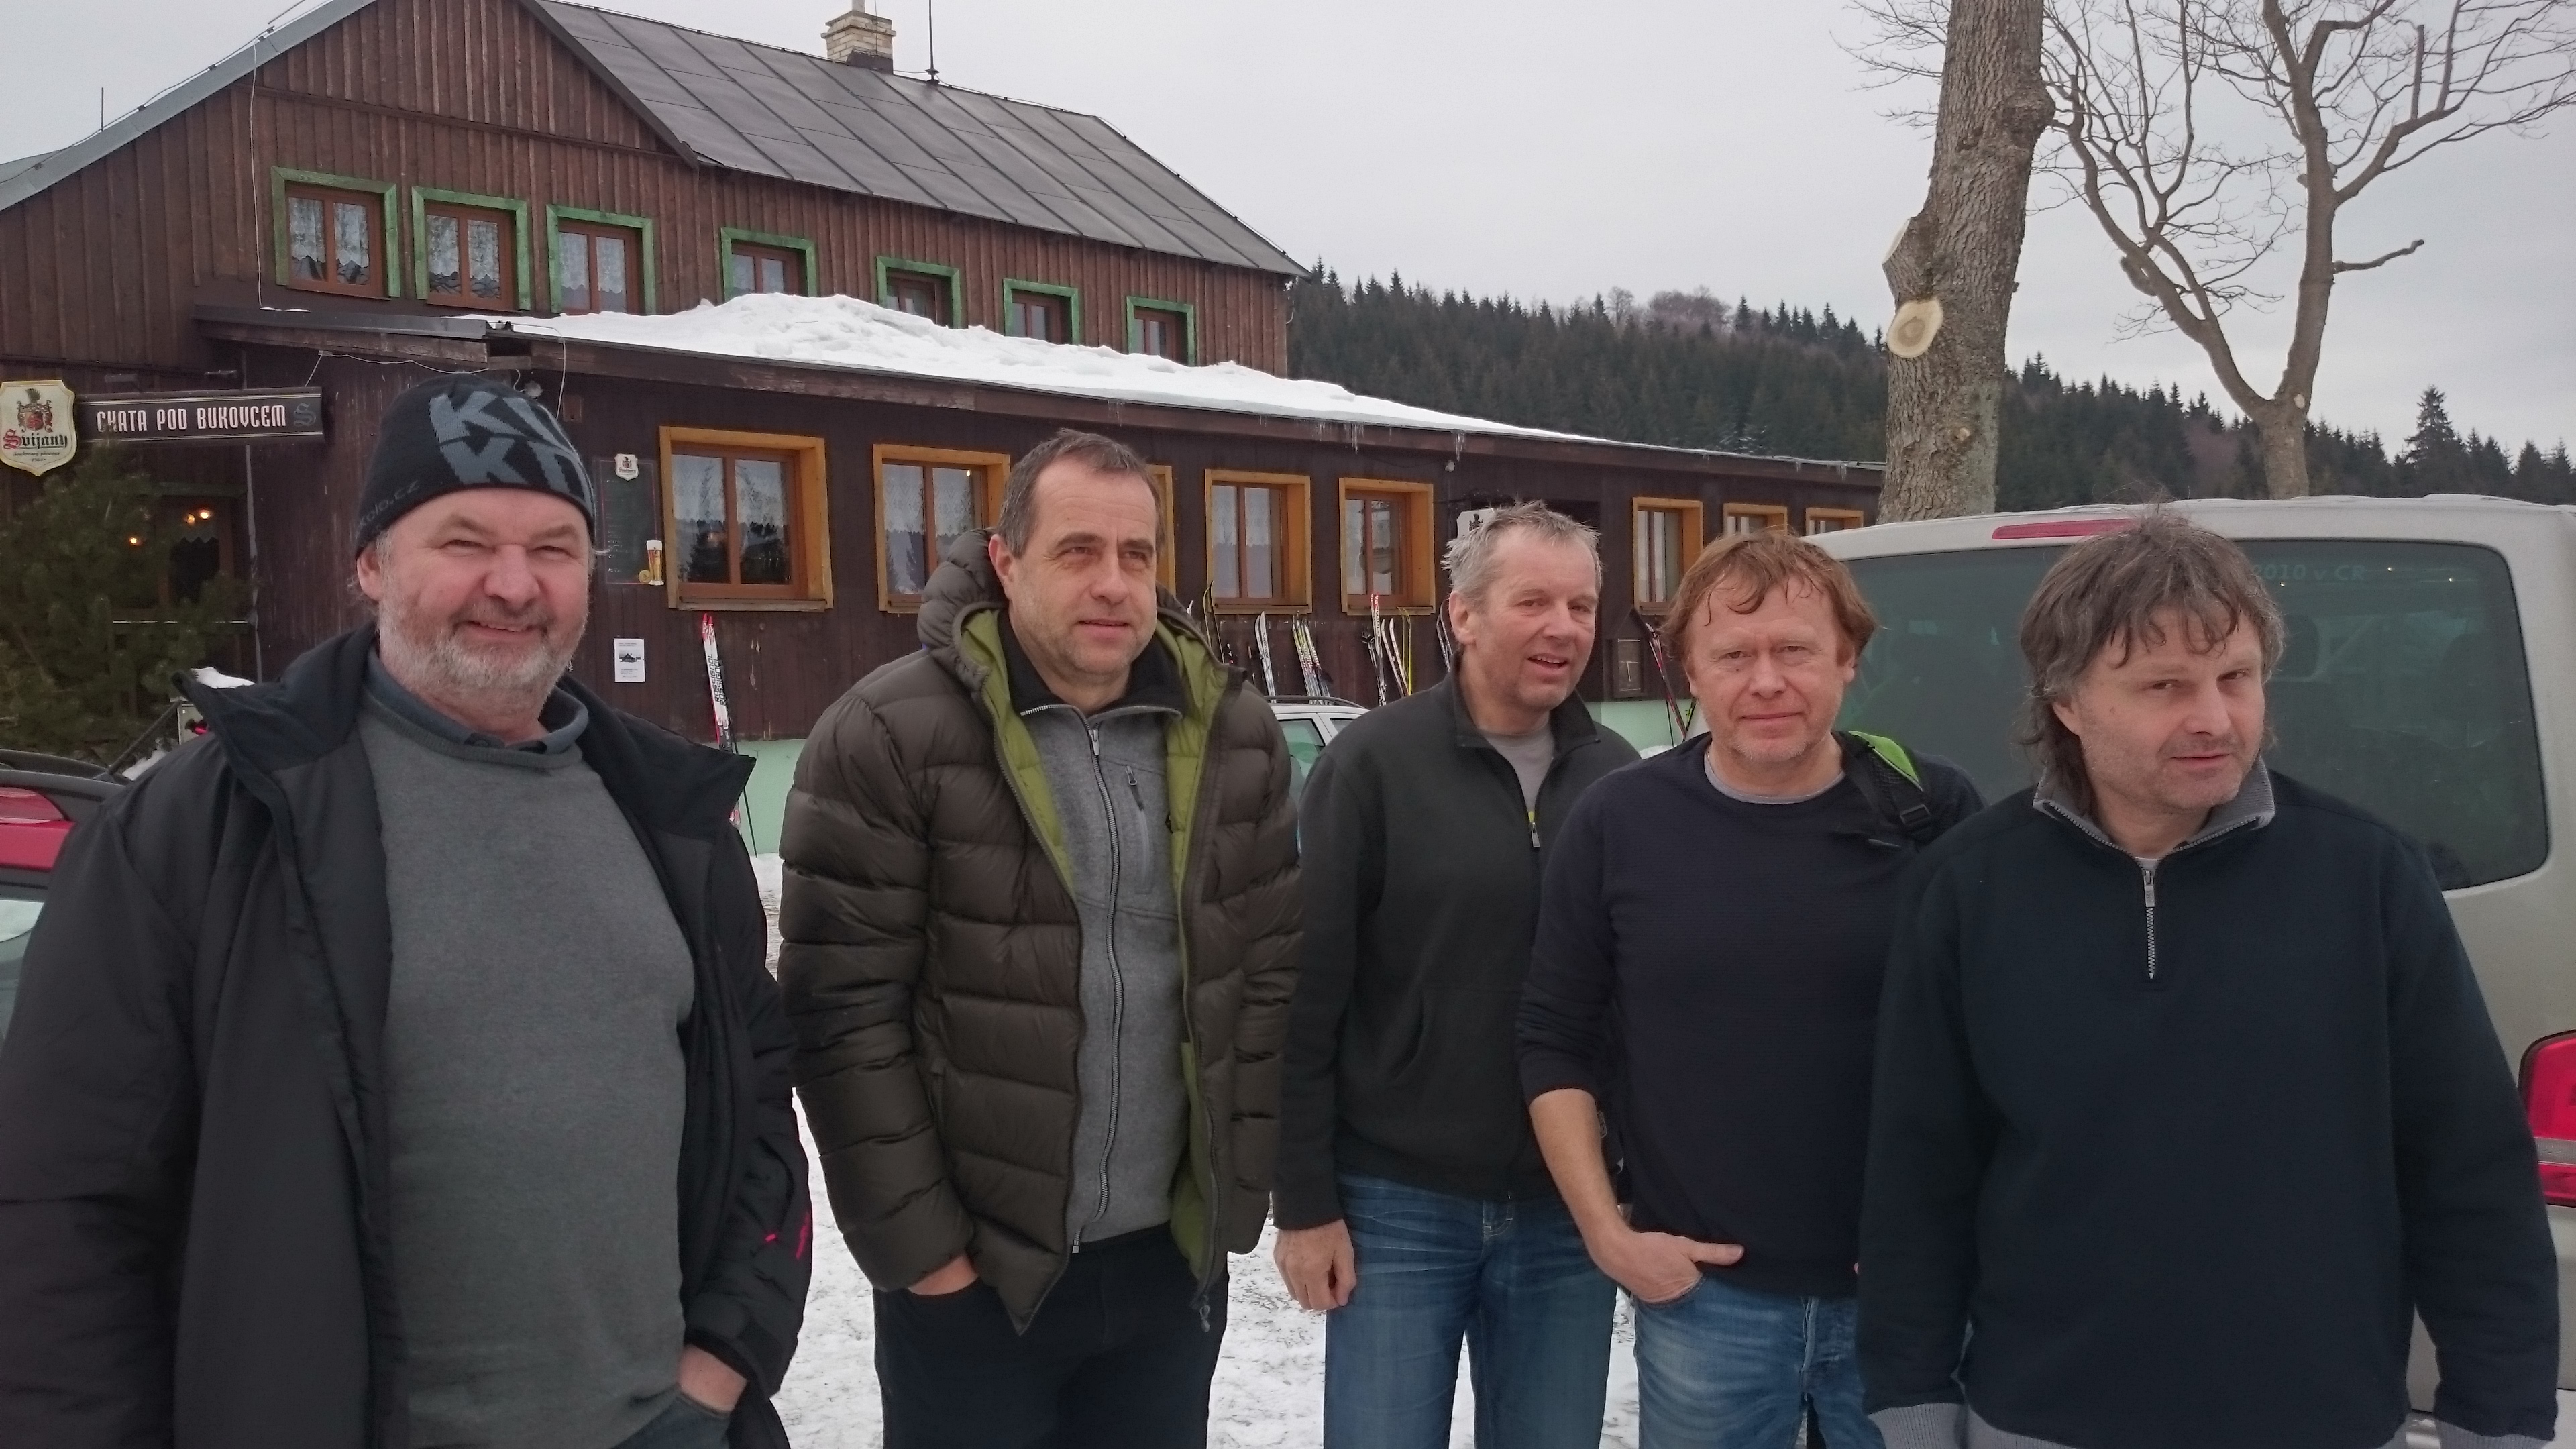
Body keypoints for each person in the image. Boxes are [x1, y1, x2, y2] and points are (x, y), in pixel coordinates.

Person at [0, 372, 810, 1449]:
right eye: (464, 542)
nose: (513, 585)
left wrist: (719, 1369)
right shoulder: (210, 826)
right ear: (371, 564)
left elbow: (757, 1115)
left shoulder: (674, 820)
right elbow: (65, 1209)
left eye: (554, 548)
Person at [1861, 514, 2559, 1449]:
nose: (2215, 719)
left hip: (2320, 1418)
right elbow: (1918, 1176)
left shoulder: (2367, 878)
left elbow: (2469, 1168)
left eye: (2236, 677)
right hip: (2043, 1418)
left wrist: (2498, 1414)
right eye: (2164, 686)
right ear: (2066, 702)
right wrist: (1912, 1401)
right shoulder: (1967, 889)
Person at [780, 428, 1299, 1449]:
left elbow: (1271, 974)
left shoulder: (1233, 737)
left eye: (1137, 555)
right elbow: (841, 1015)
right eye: (1077, 551)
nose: (1113, 583)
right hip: (977, 1282)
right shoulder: (889, 735)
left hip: (1166, 1274)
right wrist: (927, 1256)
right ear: (1006, 561)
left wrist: (1228, 1201)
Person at [1517, 531, 1980, 1449]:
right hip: (1705, 1302)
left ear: (1847, 659)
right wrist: (1609, 1236)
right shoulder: (1621, 821)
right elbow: (1553, 1037)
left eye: (1796, 650)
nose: (1766, 682)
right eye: (1733, 656)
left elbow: (1998, 1045)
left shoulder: (1932, 814)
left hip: (1904, 1305)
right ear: (1689, 669)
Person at [1274, 502, 1639, 1449]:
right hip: (1399, 1202)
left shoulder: (1618, 777)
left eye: (1581, 606)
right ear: (1464, 615)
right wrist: (1304, 1203)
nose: (1563, 627)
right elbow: (1305, 994)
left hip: (1566, 1208)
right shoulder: (1373, 766)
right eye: (1533, 601)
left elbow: (1642, 999)